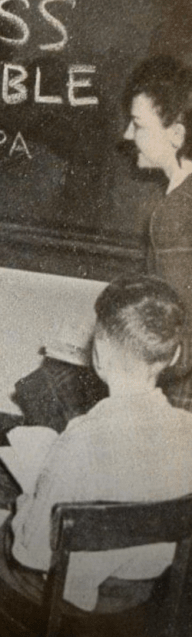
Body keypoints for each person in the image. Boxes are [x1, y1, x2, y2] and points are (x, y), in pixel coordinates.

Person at [0, 275, 192, 637]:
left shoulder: (82, 437)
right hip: (145, 606)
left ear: (99, 352)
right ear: (175, 355)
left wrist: (26, 501)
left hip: (74, 616)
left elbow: (32, 553)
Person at [122, 56, 192, 412]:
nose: (127, 135)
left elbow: (177, 337)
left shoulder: (175, 213)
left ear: (176, 135)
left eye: (138, 125)